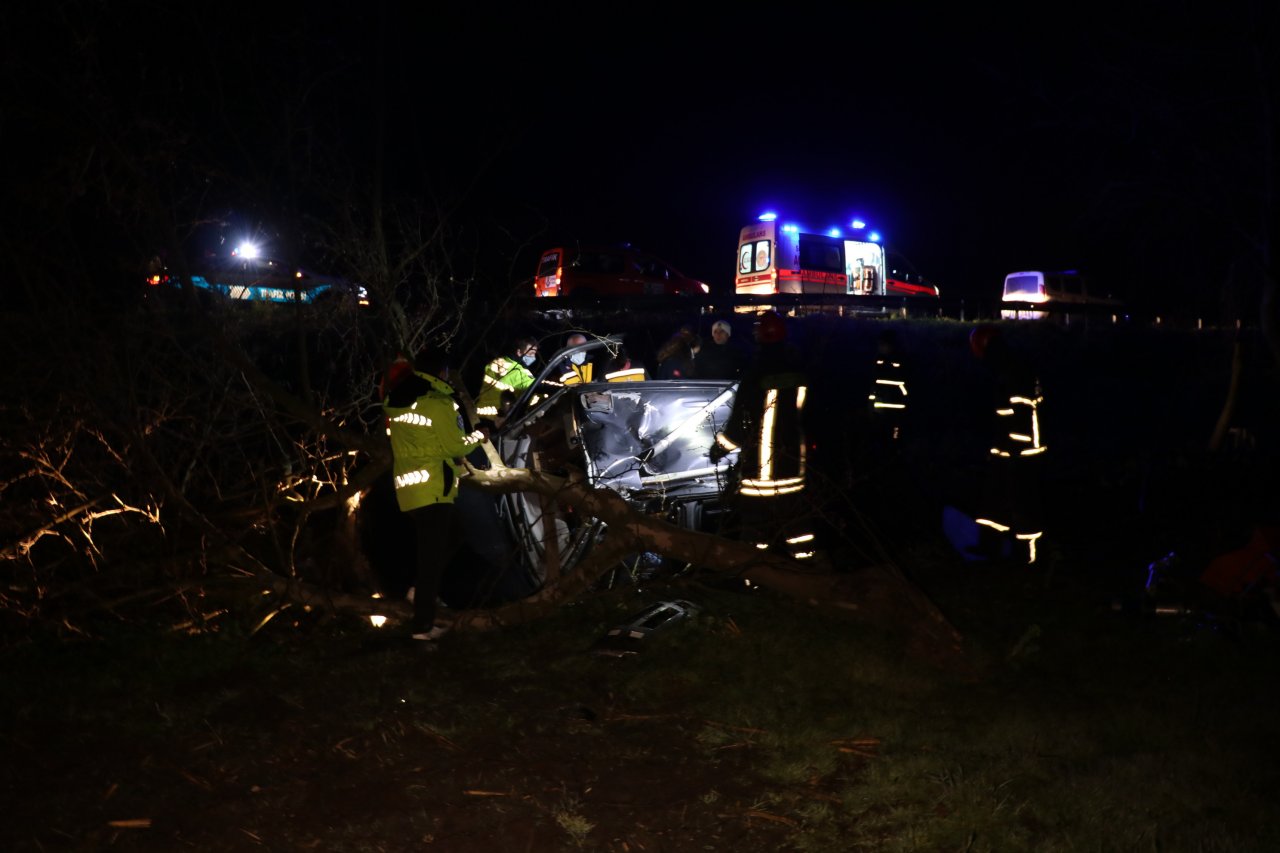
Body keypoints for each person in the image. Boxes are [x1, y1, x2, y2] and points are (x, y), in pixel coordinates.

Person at [382, 344, 486, 643]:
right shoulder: (439, 402)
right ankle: (422, 627)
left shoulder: (399, 398)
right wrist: (481, 435)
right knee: (432, 556)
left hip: (410, 487)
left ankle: (418, 593)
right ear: (442, 371)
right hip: (434, 489)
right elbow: (455, 446)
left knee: (449, 539)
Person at [710, 311, 813, 559]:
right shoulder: (798, 373)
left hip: (761, 473)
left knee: (756, 530)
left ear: (760, 337)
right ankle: (807, 574)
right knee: (797, 528)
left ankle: (754, 578)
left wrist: (718, 449)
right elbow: (806, 418)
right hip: (792, 468)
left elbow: (738, 427)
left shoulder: (754, 376)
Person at [967, 323, 1047, 565]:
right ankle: (988, 547)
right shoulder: (1002, 368)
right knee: (993, 501)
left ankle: (1028, 558)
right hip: (1006, 450)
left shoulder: (1014, 370)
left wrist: (1013, 448)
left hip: (1023, 453)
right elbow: (1002, 415)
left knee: (1023, 504)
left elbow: (1023, 413)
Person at [475, 336, 538, 426]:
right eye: (531, 353)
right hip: (497, 420)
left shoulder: (497, 362)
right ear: (519, 352)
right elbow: (536, 390)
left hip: (478, 412)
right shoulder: (521, 374)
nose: (533, 357)